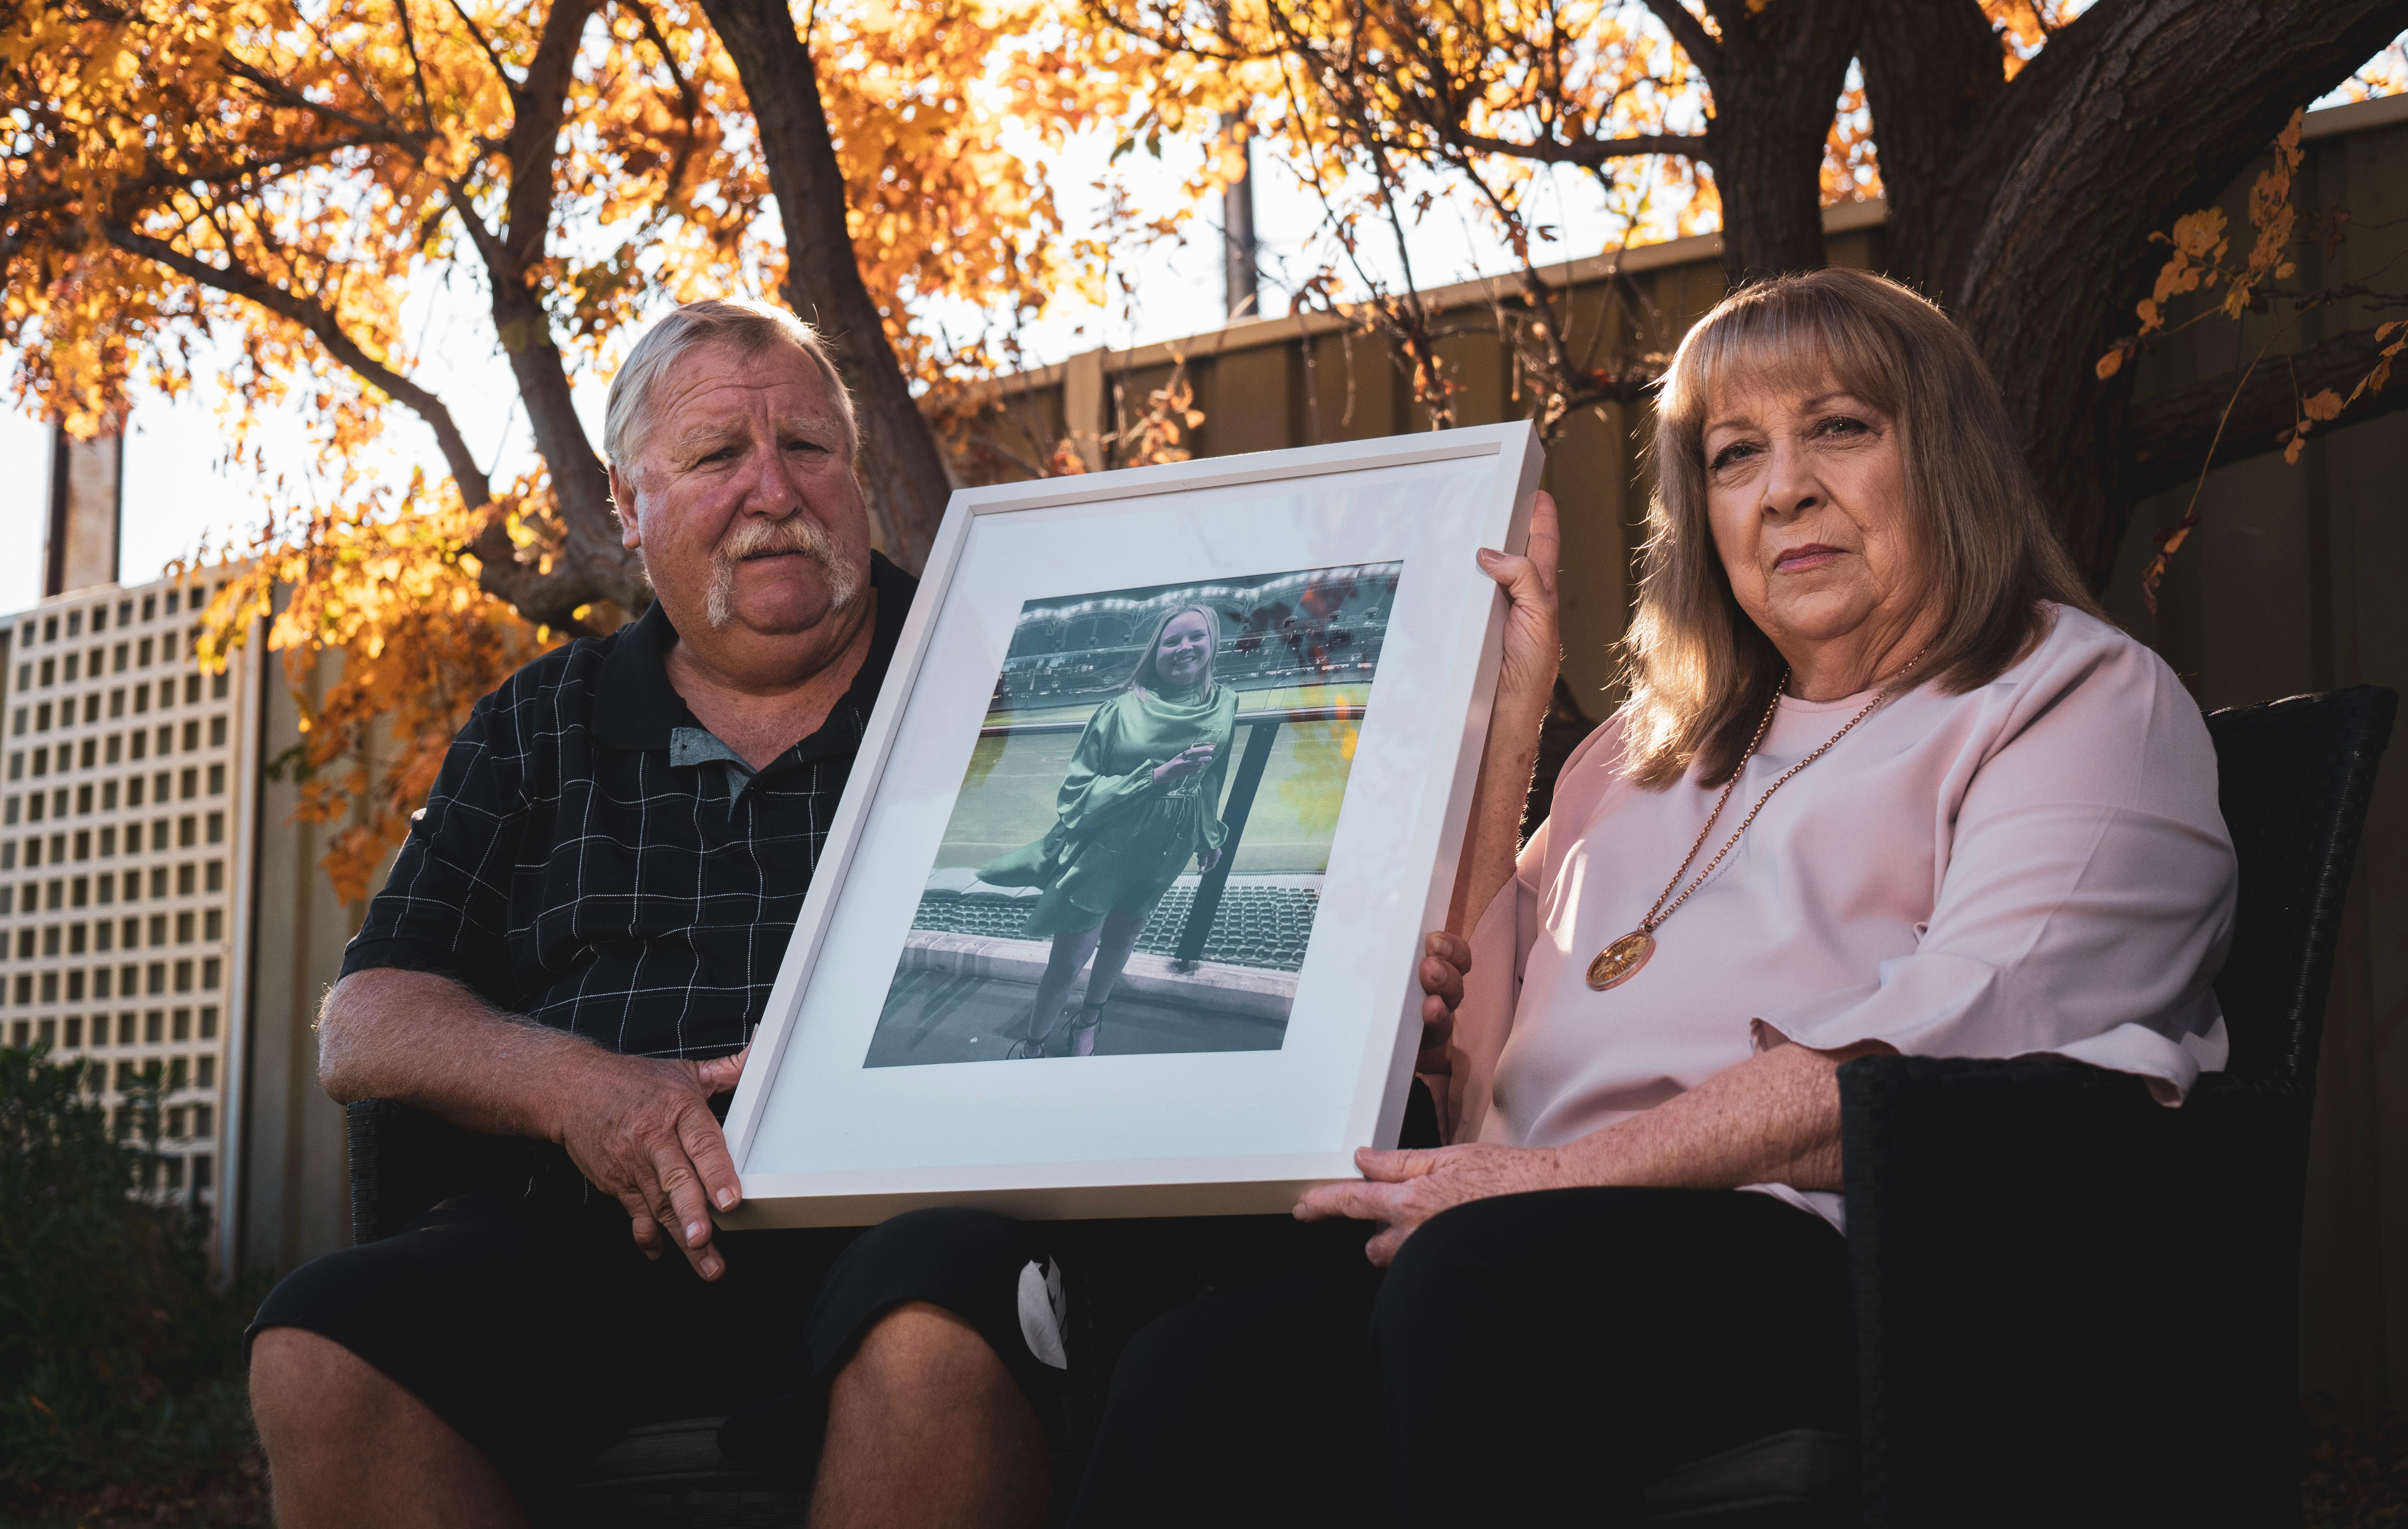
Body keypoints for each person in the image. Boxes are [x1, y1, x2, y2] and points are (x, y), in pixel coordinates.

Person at [1067, 268, 2239, 1528]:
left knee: (1475, 1282)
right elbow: (1474, 1066)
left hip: (1860, 1266)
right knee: (1193, 1369)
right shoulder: (1639, 751)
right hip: (1520, 1245)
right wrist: (1511, 716)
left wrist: (1548, 1181)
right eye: (1737, 454)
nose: (1785, 483)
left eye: (1840, 426)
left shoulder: (2068, 699)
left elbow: (1930, 1053)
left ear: (1943, 456)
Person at [245, 299, 1063, 1529]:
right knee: (320, 1346)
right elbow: (365, 1020)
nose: (774, 489)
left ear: (856, 477)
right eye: (719, 457)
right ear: (629, 512)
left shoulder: (1002, 682)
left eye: (810, 448)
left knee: (933, 1331)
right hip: (587, 1231)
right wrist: (582, 1088)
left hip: (910, 1217)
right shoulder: (540, 721)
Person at [980, 605, 1239, 1057]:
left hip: (1166, 849)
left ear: (1212, 642)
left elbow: (1212, 776)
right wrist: (1156, 776)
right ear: (1154, 650)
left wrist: (1209, 836)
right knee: (1070, 958)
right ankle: (1034, 1042)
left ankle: (1088, 1021)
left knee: (1123, 941)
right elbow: (1076, 794)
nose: (1184, 649)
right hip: (1105, 848)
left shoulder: (1226, 704)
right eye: (1171, 641)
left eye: (1195, 637)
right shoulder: (1119, 711)